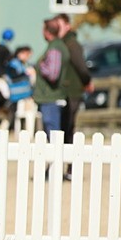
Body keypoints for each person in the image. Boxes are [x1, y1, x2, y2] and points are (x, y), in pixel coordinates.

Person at [33, 18, 69, 153]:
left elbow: (53, 74)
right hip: (51, 97)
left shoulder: (55, 48)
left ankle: (55, 163)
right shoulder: (57, 46)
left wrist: (40, 65)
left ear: (47, 32)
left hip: (51, 97)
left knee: (53, 134)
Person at [55, 13, 92, 144]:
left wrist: (87, 81)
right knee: (62, 127)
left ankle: (69, 155)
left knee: (68, 126)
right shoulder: (61, 43)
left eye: (60, 25)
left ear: (67, 26)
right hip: (64, 91)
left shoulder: (72, 44)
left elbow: (81, 67)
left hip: (72, 90)